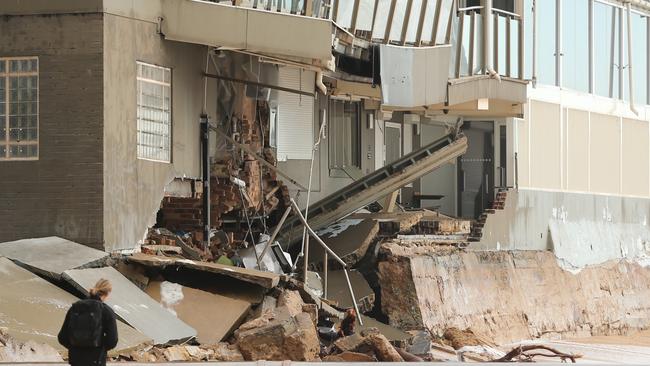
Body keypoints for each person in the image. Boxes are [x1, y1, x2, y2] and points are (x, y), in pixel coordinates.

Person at [58, 279, 118, 366]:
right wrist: (99, 349)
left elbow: (62, 337)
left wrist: (75, 348)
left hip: (76, 361)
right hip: (96, 361)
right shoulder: (107, 312)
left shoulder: (75, 308)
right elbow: (112, 341)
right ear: (107, 294)